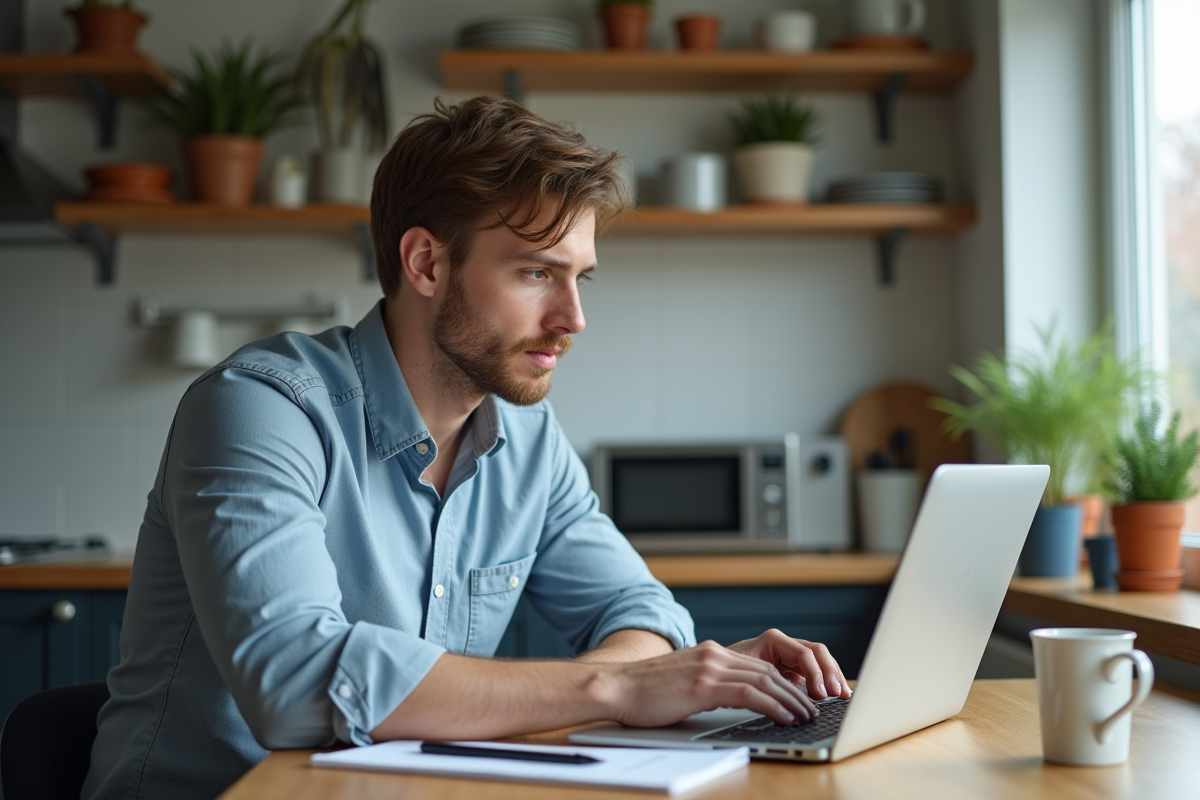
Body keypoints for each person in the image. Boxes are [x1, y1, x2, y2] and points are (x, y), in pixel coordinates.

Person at [83, 96, 851, 800]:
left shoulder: (527, 438)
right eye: (536, 273)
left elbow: (638, 610)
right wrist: (617, 688)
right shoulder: (260, 408)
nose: (573, 317)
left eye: (580, 277)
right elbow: (294, 686)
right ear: (425, 262)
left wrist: (650, 673)